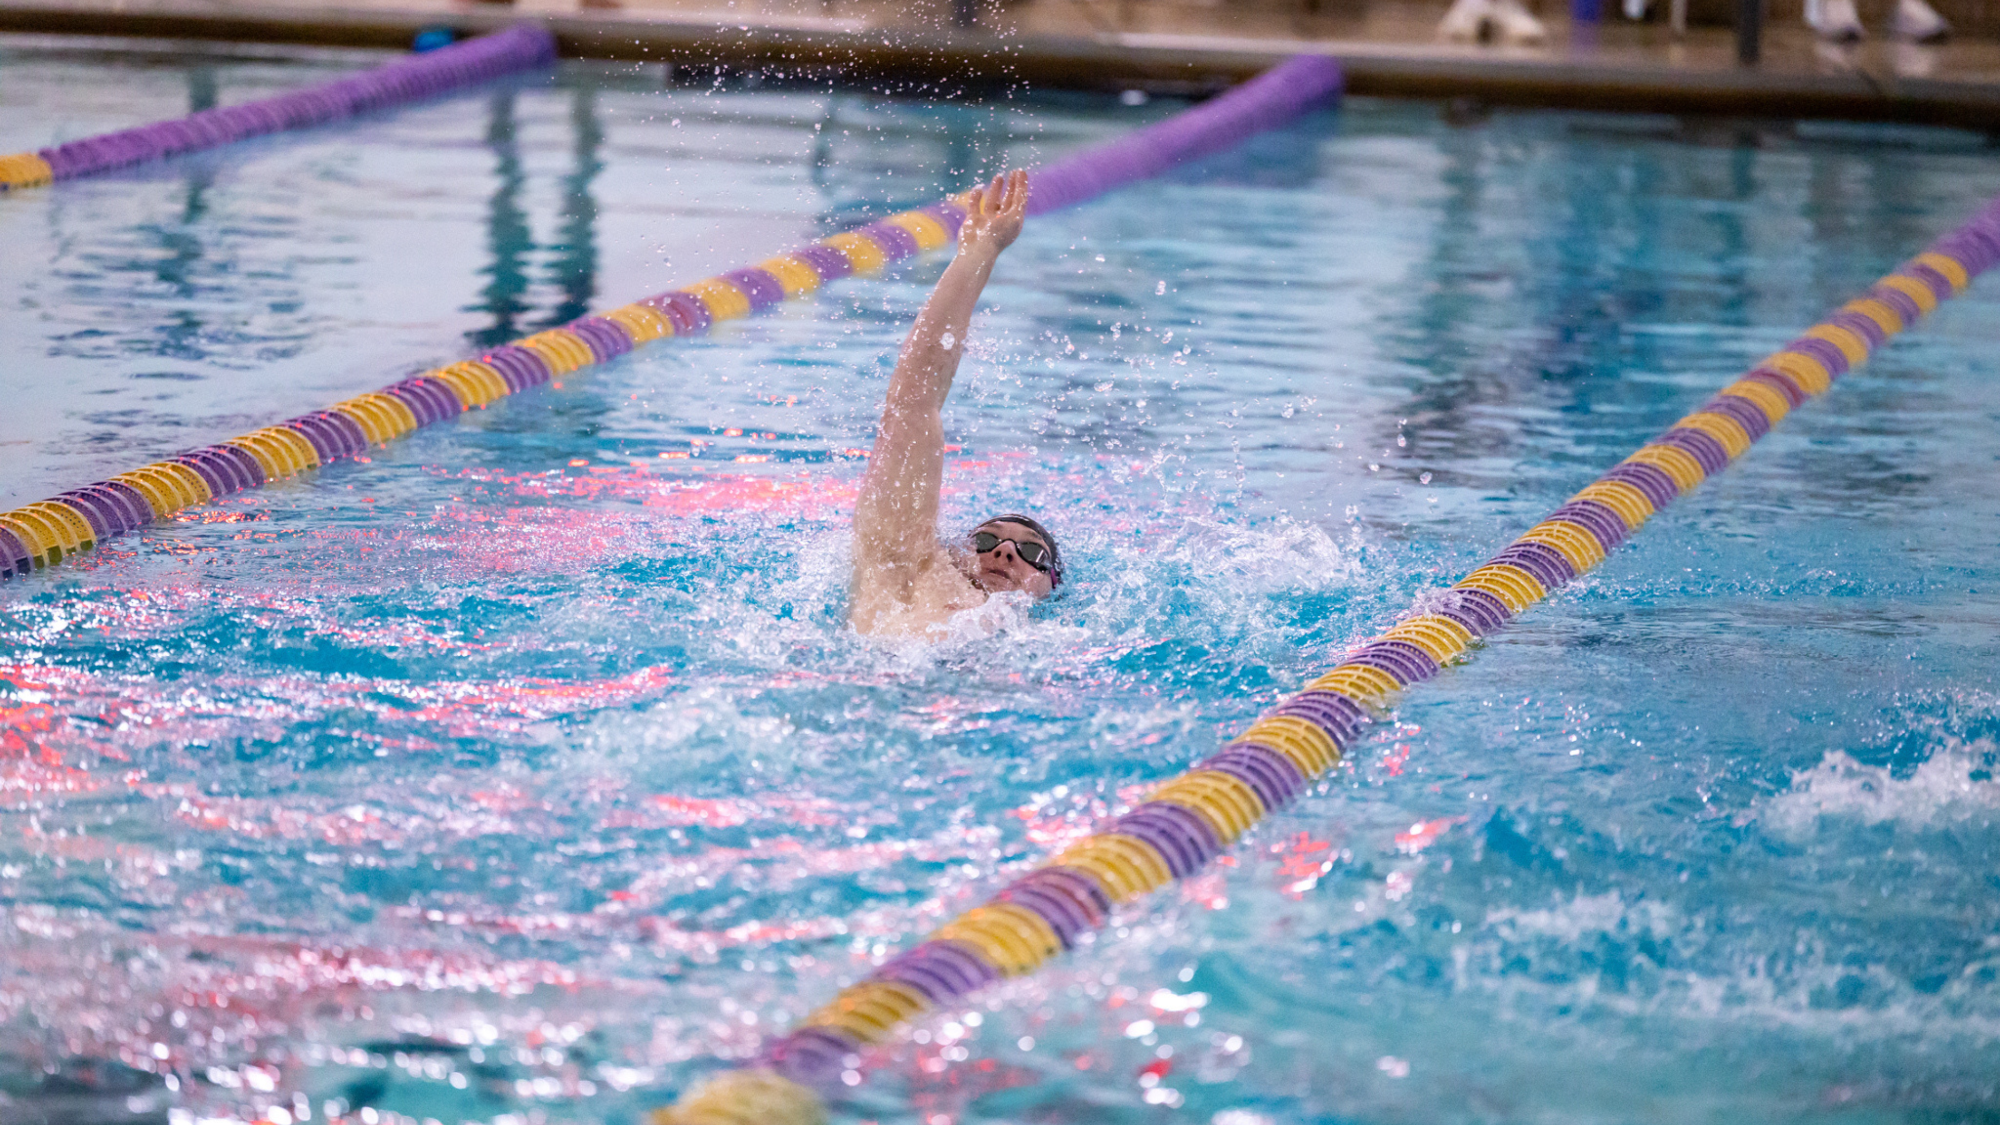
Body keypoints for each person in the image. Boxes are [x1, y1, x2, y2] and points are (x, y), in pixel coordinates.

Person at [848, 169, 1065, 639]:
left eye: (1032, 553)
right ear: (955, 551)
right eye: (986, 541)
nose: (1005, 553)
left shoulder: (1054, 642)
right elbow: (912, 401)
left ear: (1053, 586)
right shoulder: (906, 568)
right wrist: (978, 253)